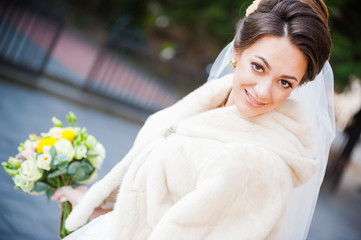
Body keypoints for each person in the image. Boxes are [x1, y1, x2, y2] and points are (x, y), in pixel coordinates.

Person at [52, 0, 334, 239]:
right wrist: (98, 206)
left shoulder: (258, 167)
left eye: (285, 83)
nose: (263, 92)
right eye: (258, 67)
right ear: (237, 52)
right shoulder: (211, 101)